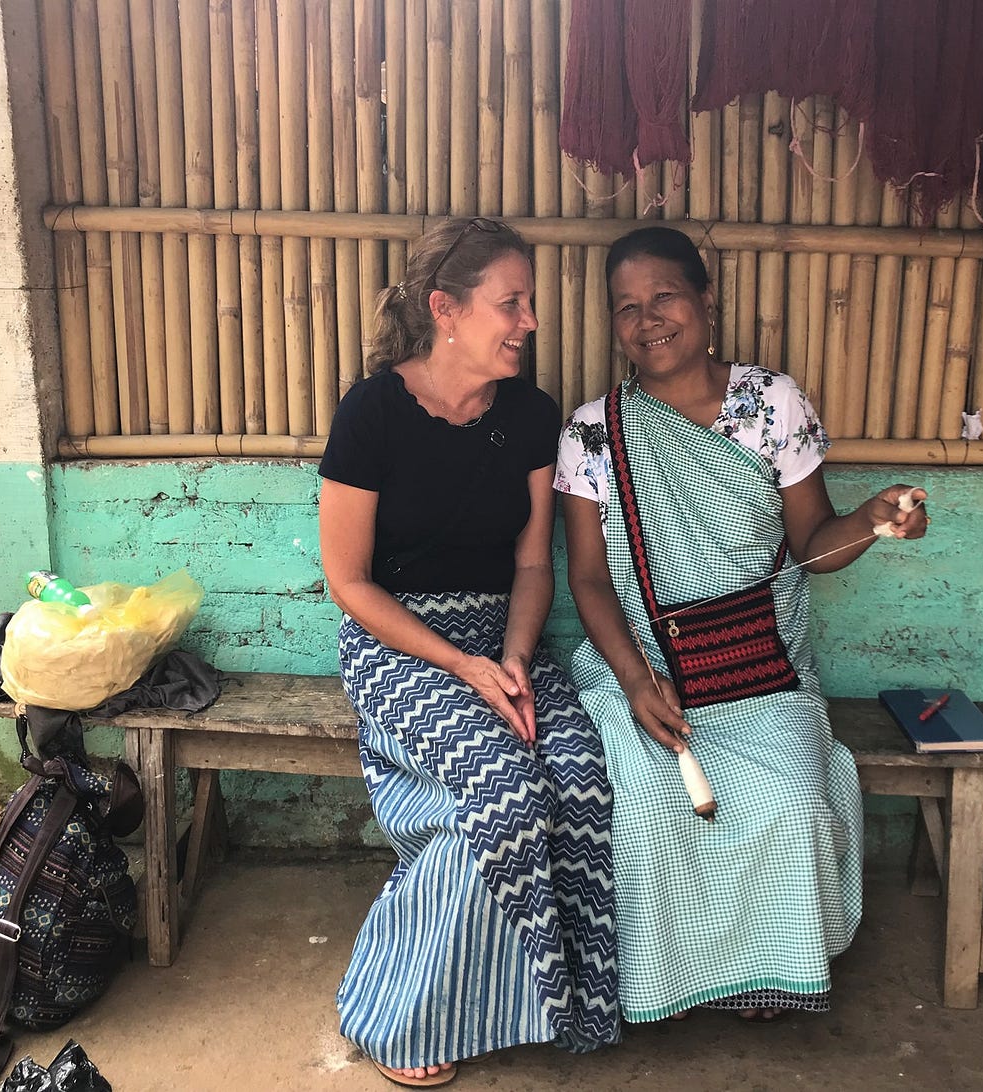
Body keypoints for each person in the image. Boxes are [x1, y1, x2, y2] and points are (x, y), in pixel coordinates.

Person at [555, 225, 927, 1025]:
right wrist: (636, 682)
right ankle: (666, 985)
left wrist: (871, 519)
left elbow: (814, 545)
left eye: (665, 297)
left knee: (791, 806)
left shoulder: (773, 404)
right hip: (643, 669)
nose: (648, 320)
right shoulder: (592, 432)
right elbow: (587, 577)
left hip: (762, 672)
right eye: (627, 307)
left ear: (706, 300)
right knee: (646, 806)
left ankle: (769, 974)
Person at [319, 217, 620, 1087]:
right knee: (501, 795)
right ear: (445, 309)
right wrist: (461, 666)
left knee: (576, 774)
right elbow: (350, 582)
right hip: (400, 643)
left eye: (530, 302)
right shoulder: (372, 413)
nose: (530, 321)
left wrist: (516, 656)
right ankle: (401, 1012)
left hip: (501, 634)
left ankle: (559, 1000)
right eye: (511, 303)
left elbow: (532, 565)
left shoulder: (529, 415)